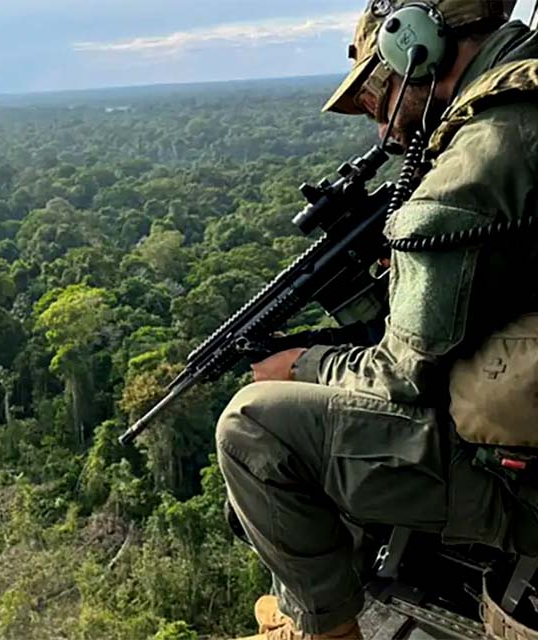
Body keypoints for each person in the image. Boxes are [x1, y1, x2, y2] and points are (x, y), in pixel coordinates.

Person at [215, 1, 538, 638]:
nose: (382, 125)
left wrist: (298, 364)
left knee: (256, 430)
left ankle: (321, 627)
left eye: (377, 92)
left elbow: (399, 380)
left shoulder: (479, 161)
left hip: (526, 491)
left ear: (414, 44)